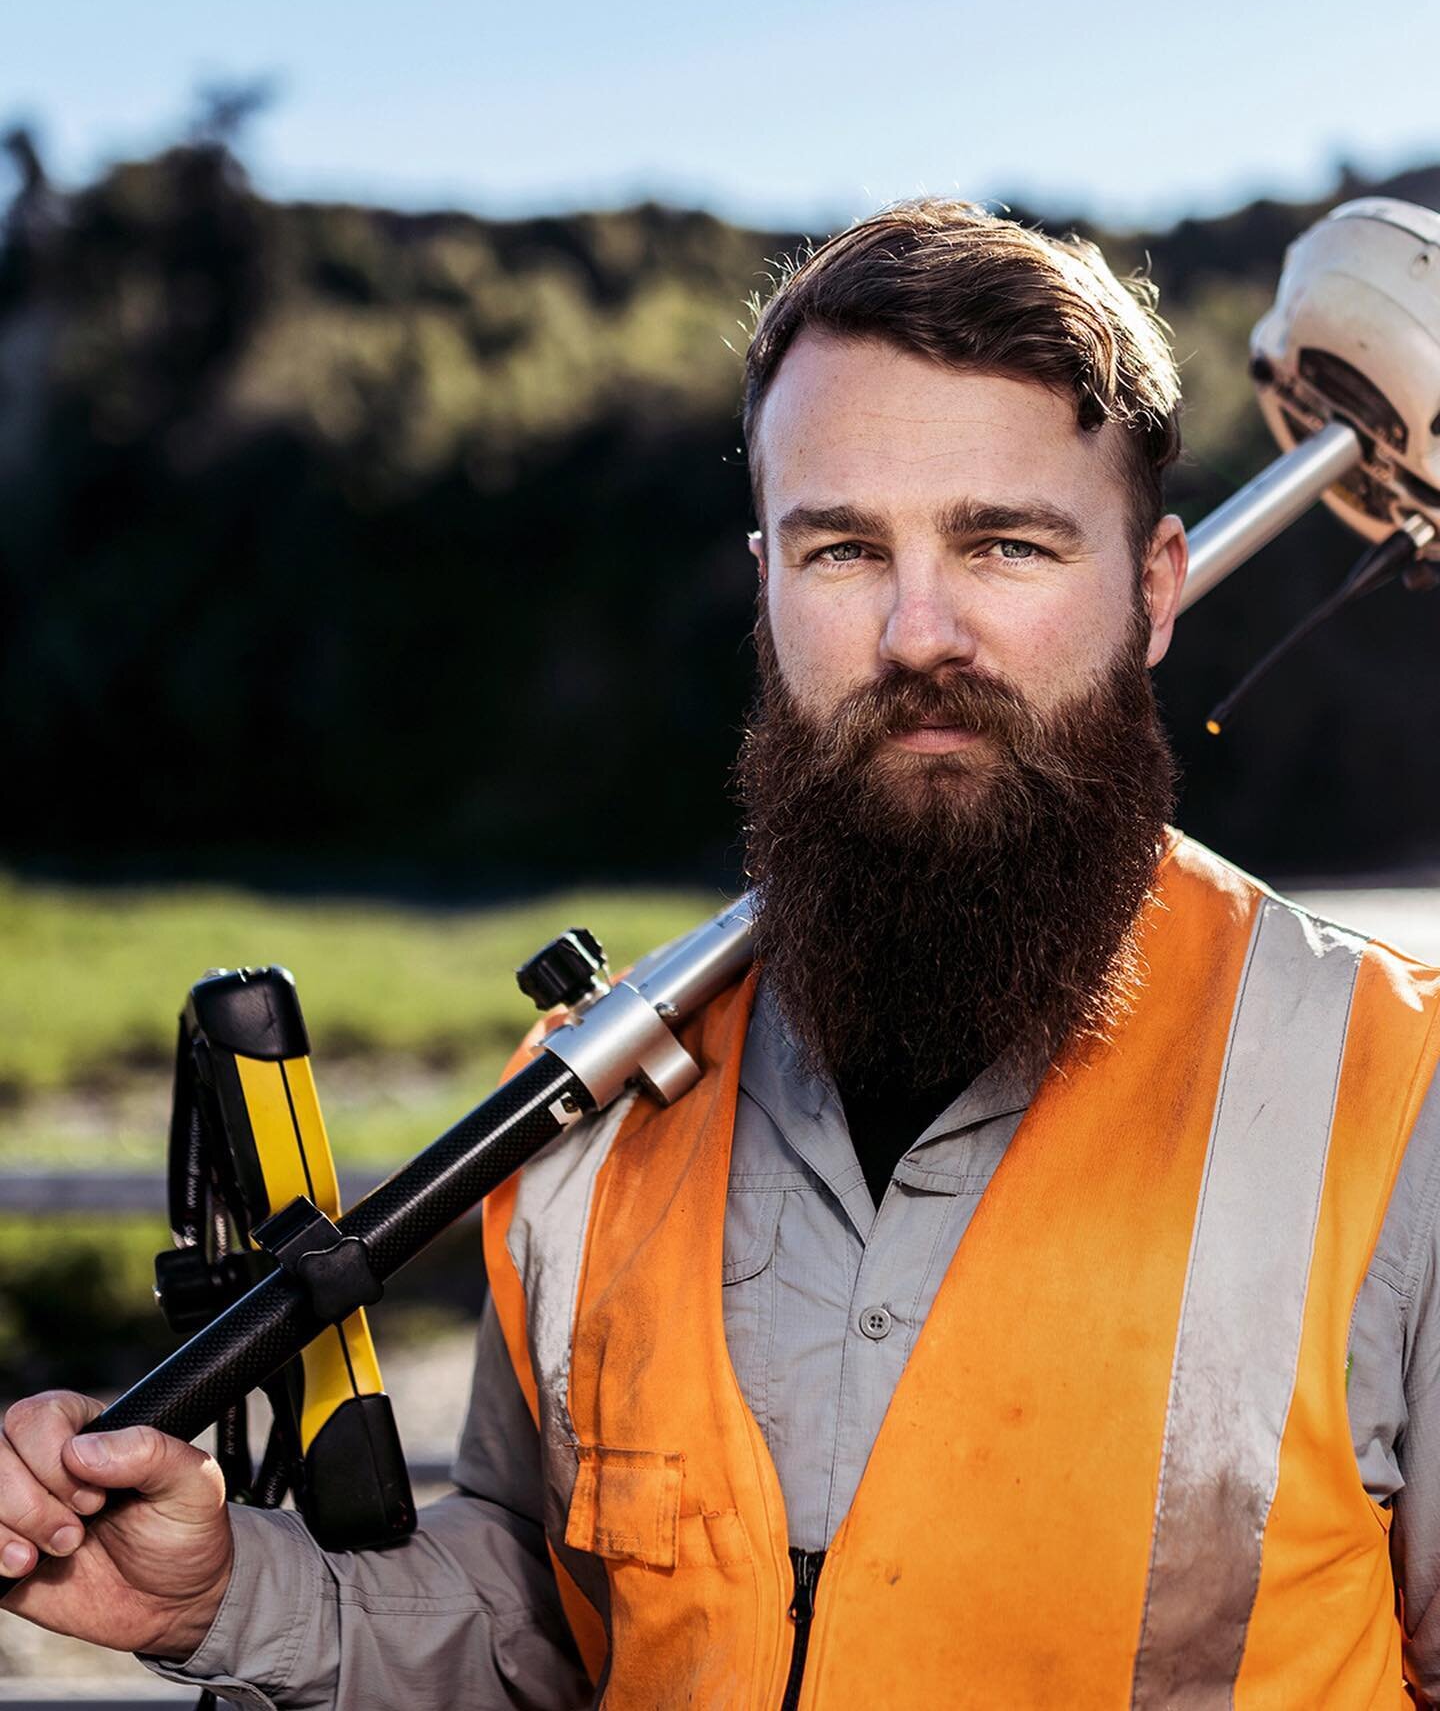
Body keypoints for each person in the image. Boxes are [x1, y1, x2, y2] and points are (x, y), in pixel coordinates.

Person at [3, 199, 1439, 1708]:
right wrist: (229, 1594)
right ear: (765, 582)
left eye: (1005, 543)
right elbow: (538, 1635)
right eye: (841, 550)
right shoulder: (589, 1133)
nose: (917, 631)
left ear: (1153, 590)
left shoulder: (1396, 1098)